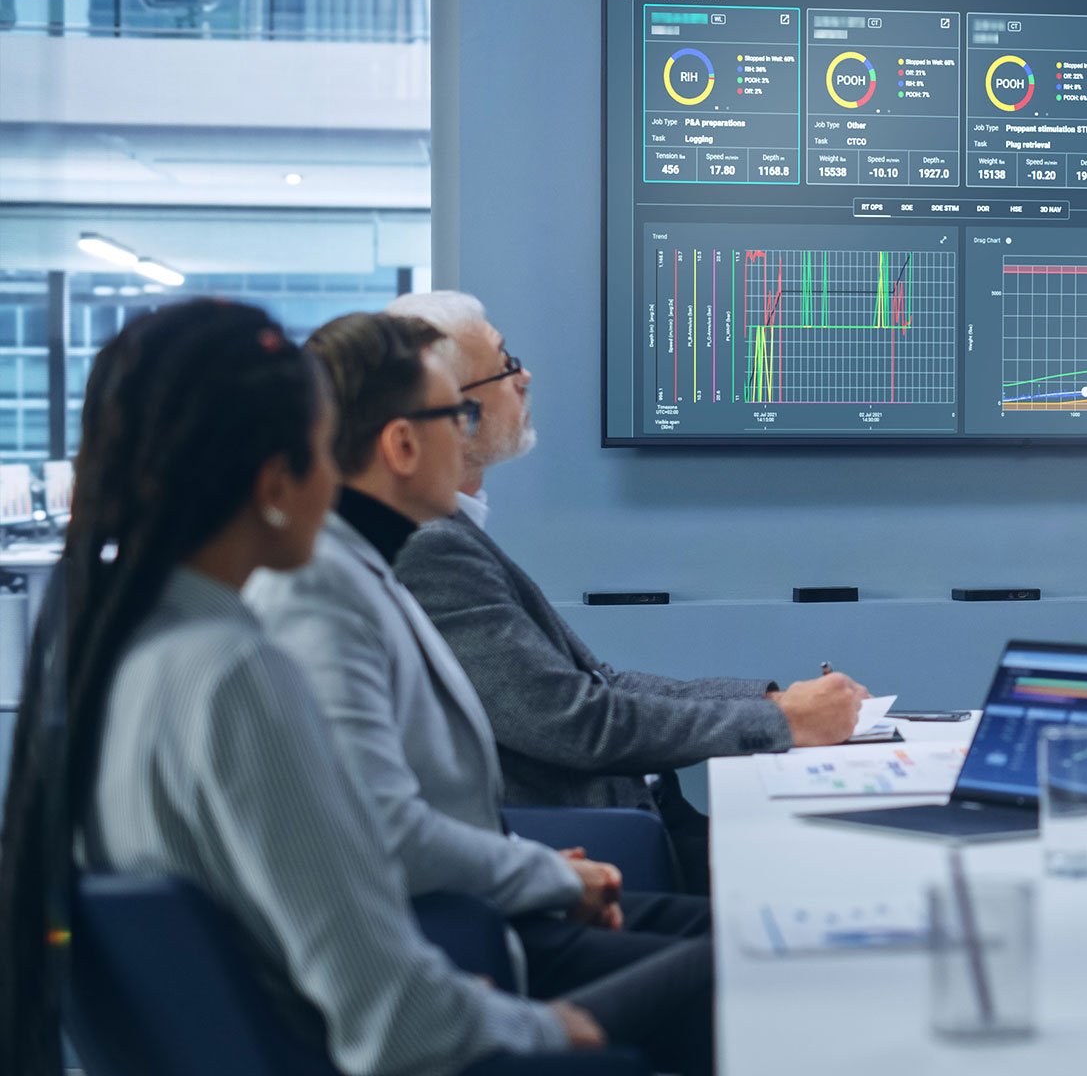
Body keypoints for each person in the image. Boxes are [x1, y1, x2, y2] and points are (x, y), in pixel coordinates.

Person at [0, 300, 698, 1075]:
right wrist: (557, 1028)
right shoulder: (236, 674)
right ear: (276, 480)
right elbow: (397, 1020)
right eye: (323, 452)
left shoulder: (118, 652)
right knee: (760, 969)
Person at [244, 313, 713, 1072]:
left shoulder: (367, 570)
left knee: (749, 946)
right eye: (456, 416)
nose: (468, 436)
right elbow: (387, 827)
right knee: (754, 966)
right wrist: (546, 875)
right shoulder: (326, 595)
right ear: (402, 445)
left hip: (485, 915)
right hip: (464, 949)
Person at [384, 291, 866, 889]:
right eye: (506, 365)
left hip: (636, 821)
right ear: (453, 412)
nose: (525, 377)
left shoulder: (455, 533)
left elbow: (600, 683)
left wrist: (773, 702)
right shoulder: (431, 545)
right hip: (601, 847)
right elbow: (574, 720)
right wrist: (780, 720)